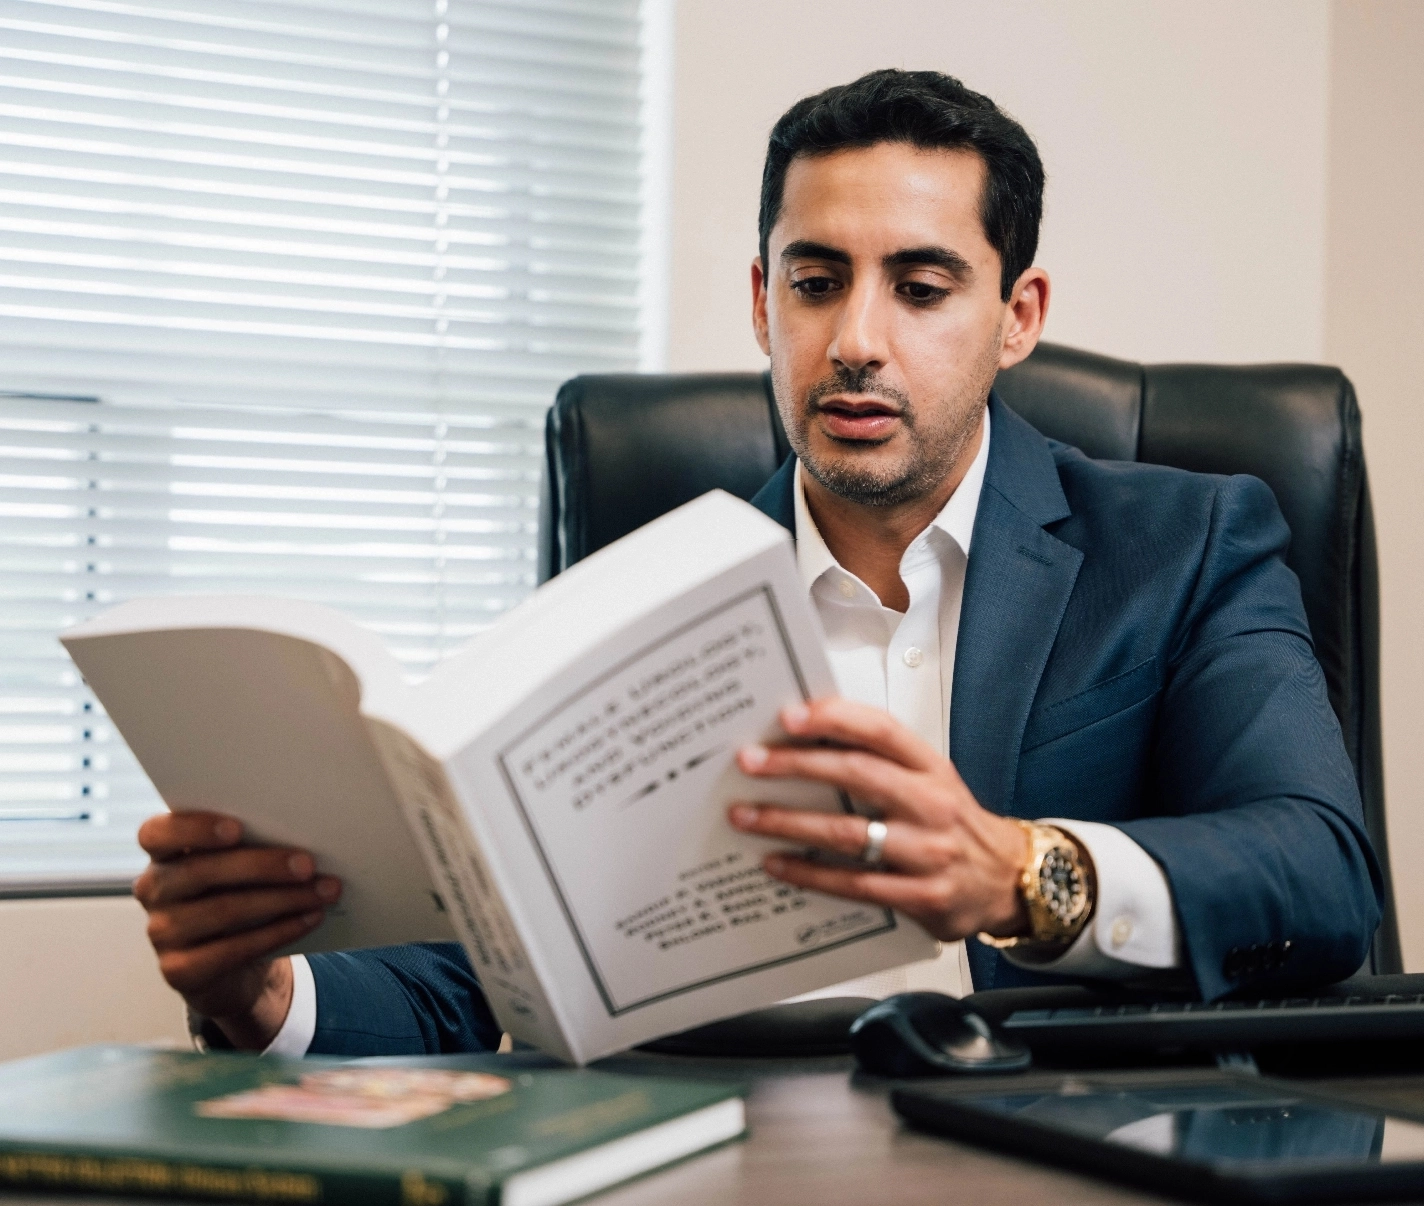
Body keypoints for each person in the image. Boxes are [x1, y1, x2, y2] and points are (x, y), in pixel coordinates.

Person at [133, 69, 1382, 1056]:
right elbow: (493, 975)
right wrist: (266, 991)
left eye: (921, 285)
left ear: (1017, 316)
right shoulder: (637, 586)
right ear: (759, 303)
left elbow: (1320, 876)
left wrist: (1019, 872)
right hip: (715, 1145)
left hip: (1059, 1143)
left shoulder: (1188, 541)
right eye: (816, 281)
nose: (853, 341)